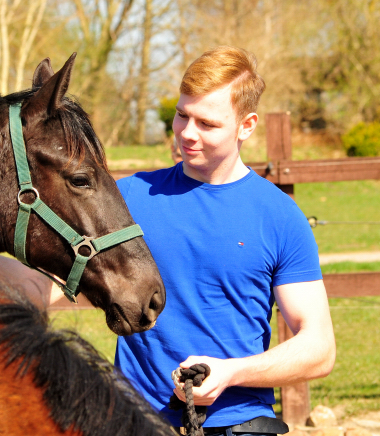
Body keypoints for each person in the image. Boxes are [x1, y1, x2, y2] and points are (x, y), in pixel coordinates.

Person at [114, 45, 336, 432]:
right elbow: (45, 282)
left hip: (240, 422)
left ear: (246, 126)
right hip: (134, 418)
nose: (187, 133)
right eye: (182, 116)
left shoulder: (279, 216)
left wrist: (231, 373)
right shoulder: (128, 199)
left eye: (208, 124)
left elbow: (319, 348)